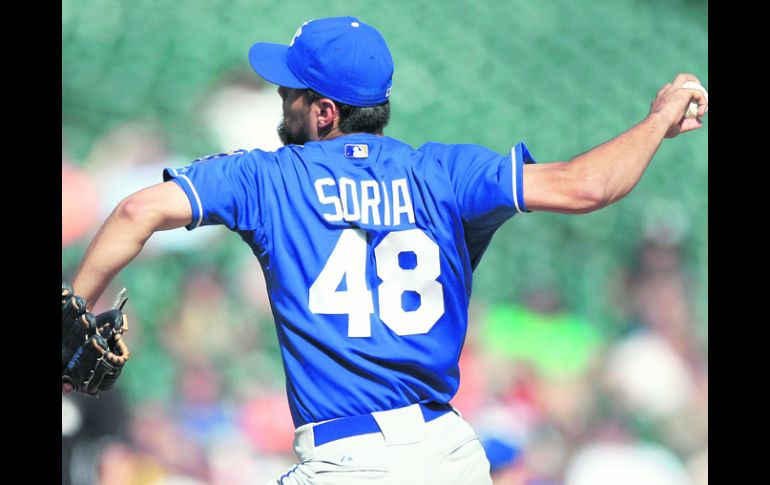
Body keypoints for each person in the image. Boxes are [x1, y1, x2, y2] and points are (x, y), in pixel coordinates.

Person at [69, 16, 707, 485]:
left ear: (323, 112)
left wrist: (72, 305)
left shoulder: (267, 178)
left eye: (290, 92)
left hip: (348, 460)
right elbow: (588, 186)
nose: (282, 102)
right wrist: (656, 122)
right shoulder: (443, 173)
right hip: (449, 455)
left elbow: (136, 210)